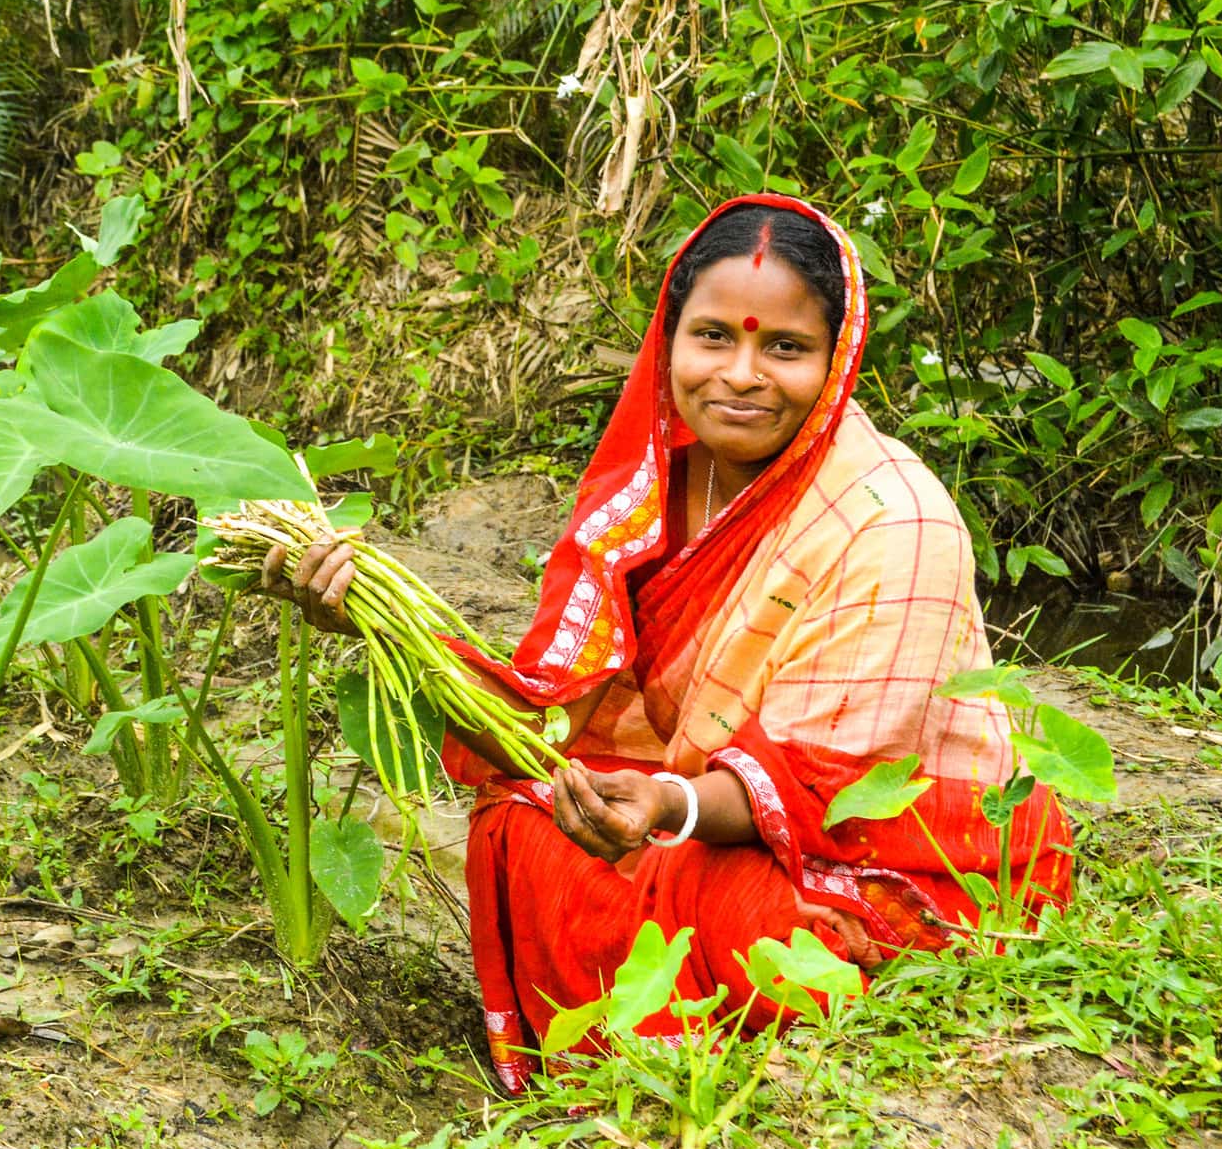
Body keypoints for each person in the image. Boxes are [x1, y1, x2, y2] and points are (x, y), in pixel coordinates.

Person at [261, 193, 1072, 1091]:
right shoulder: (655, 490)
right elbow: (554, 714)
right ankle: (606, 1060)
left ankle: (673, 1064)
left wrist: (663, 807)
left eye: (786, 348)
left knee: (762, 931)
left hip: (881, 856)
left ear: (836, 360)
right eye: (714, 337)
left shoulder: (892, 521)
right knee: (527, 812)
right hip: (692, 808)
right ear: (669, 339)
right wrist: (370, 619)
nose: (742, 373)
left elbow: (829, 790)